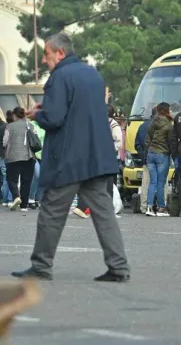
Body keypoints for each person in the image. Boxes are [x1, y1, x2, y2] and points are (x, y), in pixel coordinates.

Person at [12, 32, 130, 282]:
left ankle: (41, 265)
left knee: (51, 211)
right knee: (103, 213)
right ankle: (118, 267)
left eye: (46, 54)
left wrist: (37, 115)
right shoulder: (93, 75)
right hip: (97, 157)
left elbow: (55, 118)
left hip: (68, 158)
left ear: (60, 53)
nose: (45, 60)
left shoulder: (60, 77)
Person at [3, 107, 37, 212]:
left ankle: (16, 196)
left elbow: (5, 142)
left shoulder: (10, 126)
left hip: (13, 157)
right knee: (26, 181)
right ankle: (24, 206)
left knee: (11, 179)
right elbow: (35, 139)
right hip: (29, 156)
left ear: (14, 115)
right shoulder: (30, 125)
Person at [144, 102, 173, 217]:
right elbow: (170, 141)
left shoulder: (152, 122)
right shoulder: (169, 125)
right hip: (162, 154)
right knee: (160, 183)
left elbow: (148, 138)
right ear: (166, 110)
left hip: (151, 153)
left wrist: (148, 151)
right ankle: (161, 208)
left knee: (152, 182)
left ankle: (149, 207)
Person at [135, 106, 157, 212]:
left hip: (146, 158)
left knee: (146, 183)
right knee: (162, 183)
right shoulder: (162, 126)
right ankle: (161, 206)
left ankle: (144, 206)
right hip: (160, 157)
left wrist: (143, 153)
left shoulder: (143, 126)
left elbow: (137, 144)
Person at [28, 120, 45, 209]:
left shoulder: (46, 124)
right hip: (34, 154)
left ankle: (38, 198)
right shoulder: (31, 124)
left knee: (43, 177)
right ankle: (31, 198)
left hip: (45, 155)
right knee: (37, 175)